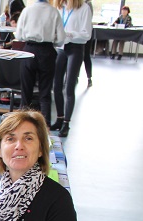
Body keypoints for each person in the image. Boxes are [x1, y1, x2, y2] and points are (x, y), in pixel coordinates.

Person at [15, 0, 66, 125]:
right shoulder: (54, 12)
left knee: (26, 93)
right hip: (47, 51)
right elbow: (61, 39)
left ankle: (21, 125)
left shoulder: (27, 10)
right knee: (45, 93)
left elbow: (19, 35)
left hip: (29, 50)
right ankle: (45, 127)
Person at [51, 0, 92, 138]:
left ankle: (66, 123)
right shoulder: (60, 7)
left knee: (69, 87)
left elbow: (87, 34)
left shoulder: (84, 8)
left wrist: (70, 34)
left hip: (75, 48)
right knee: (56, 86)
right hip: (60, 47)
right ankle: (59, 118)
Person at [82, 0, 94, 87]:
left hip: (86, 34)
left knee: (86, 56)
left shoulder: (88, 4)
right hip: (76, 36)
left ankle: (89, 77)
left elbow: (88, 19)